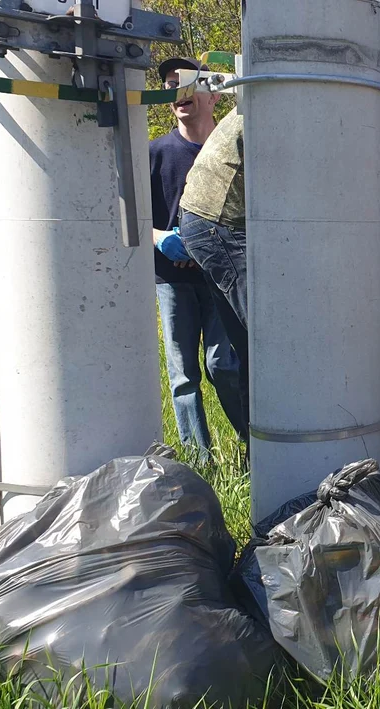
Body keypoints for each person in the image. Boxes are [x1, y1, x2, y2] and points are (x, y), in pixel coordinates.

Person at [149, 58, 247, 460]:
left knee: (224, 364)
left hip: (218, 277)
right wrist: (162, 239)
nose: (180, 93)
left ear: (213, 96)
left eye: (188, 83)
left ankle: (252, 442)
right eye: (172, 86)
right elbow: (134, 216)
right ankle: (198, 460)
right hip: (173, 278)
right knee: (183, 375)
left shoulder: (231, 146)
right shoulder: (155, 152)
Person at [177, 106, 248, 409]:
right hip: (220, 221)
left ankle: (258, 449)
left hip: (204, 219)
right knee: (271, 342)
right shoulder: (290, 85)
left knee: (251, 349)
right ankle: (281, 444)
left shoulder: (267, 81)